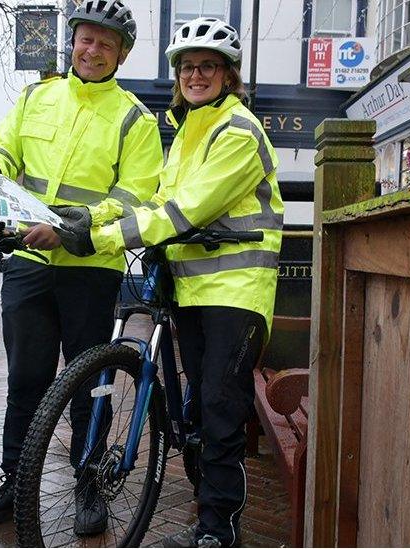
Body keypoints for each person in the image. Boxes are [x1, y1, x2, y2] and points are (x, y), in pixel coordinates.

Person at [32, 17, 283, 548]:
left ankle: (219, 530)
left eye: (208, 66)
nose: (196, 75)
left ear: (228, 75)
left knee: (219, 408)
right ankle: (205, 502)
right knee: (199, 407)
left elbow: (182, 211)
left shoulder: (239, 131)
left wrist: (97, 242)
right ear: (178, 75)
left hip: (235, 294)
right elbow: (151, 203)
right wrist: (84, 222)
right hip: (188, 289)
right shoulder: (189, 131)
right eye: (188, 67)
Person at [0, 0, 163, 533]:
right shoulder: (35, 96)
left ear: (121, 54)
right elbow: (9, 151)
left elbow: (132, 197)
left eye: (106, 43)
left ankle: (89, 483)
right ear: (72, 40)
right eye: (86, 38)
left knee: (89, 380)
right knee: (25, 380)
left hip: (90, 267)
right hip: (28, 262)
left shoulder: (135, 119)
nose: (92, 50)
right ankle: (15, 481)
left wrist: (71, 226)